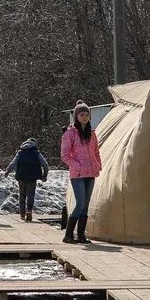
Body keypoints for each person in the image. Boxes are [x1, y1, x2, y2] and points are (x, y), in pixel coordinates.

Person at [60, 100, 102, 244]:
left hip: (90, 173)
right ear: (76, 116)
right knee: (80, 203)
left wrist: (98, 164)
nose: (84, 117)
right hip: (77, 174)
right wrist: (76, 165)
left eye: (86, 114)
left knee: (86, 204)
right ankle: (68, 234)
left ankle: (81, 235)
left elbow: (96, 152)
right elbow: (65, 155)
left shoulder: (92, 133)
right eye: (81, 114)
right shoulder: (70, 133)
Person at [5, 137, 49, 222]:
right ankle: (29, 211)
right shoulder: (36, 153)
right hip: (32, 177)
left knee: (22, 195)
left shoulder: (20, 153)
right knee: (30, 195)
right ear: (34, 144)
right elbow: (45, 165)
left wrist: (7, 171)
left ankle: (22, 213)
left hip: (21, 176)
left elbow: (13, 163)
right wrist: (45, 175)